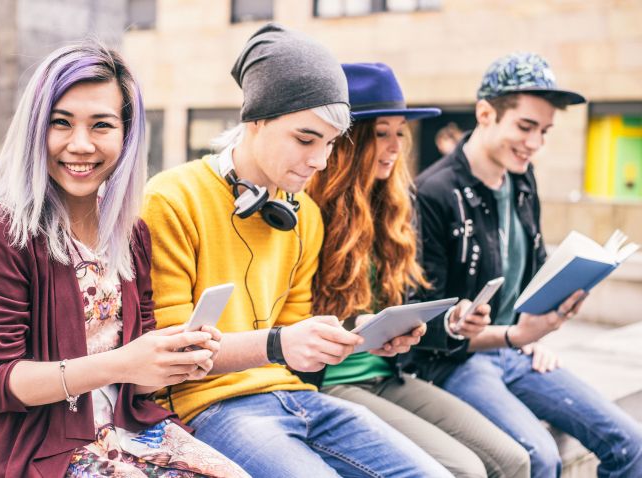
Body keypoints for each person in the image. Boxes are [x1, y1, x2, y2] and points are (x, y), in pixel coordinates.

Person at [142, 23, 452, 478]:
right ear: (254, 120)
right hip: (208, 406)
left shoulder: (304, 213)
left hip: (297, 396)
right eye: (306, 139)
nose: (319, 161)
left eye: (329, 144)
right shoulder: (171, 198)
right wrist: (279, 344)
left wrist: (357, 337)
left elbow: (292, 333)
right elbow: (173, 356)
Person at [0, 42, 248, 478]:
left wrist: (171, 361)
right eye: (60, 123)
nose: (80, 145)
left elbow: (133, 383)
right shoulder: (0, 235)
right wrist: (123, 362)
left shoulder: (131, 233)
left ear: (127, 133)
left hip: (124, 427)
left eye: (101, 125)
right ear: (34, 130)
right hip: (31, 445)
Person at [412, 52, 642, 477]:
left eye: (545, 131)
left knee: (631, 443)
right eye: (525, 127)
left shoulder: (522, 178)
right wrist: (516, 334)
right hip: (454, 364)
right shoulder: (433, 192)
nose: (535, 143)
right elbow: (425, 324)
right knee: (539, 456)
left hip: (517, 352)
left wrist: (539, 323)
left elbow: (534, 265)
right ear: (485, 113)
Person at [306, 62, 530, 478]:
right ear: (347, 140)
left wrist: (450, 319)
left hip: (391, 374)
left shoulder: (397, 209)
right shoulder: (310, 211)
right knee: (464, 469)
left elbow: (414, 303)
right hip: (330, 383)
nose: (395, 147)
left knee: (514, 459)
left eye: (400, 134)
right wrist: (364, 328)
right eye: (380, 134)